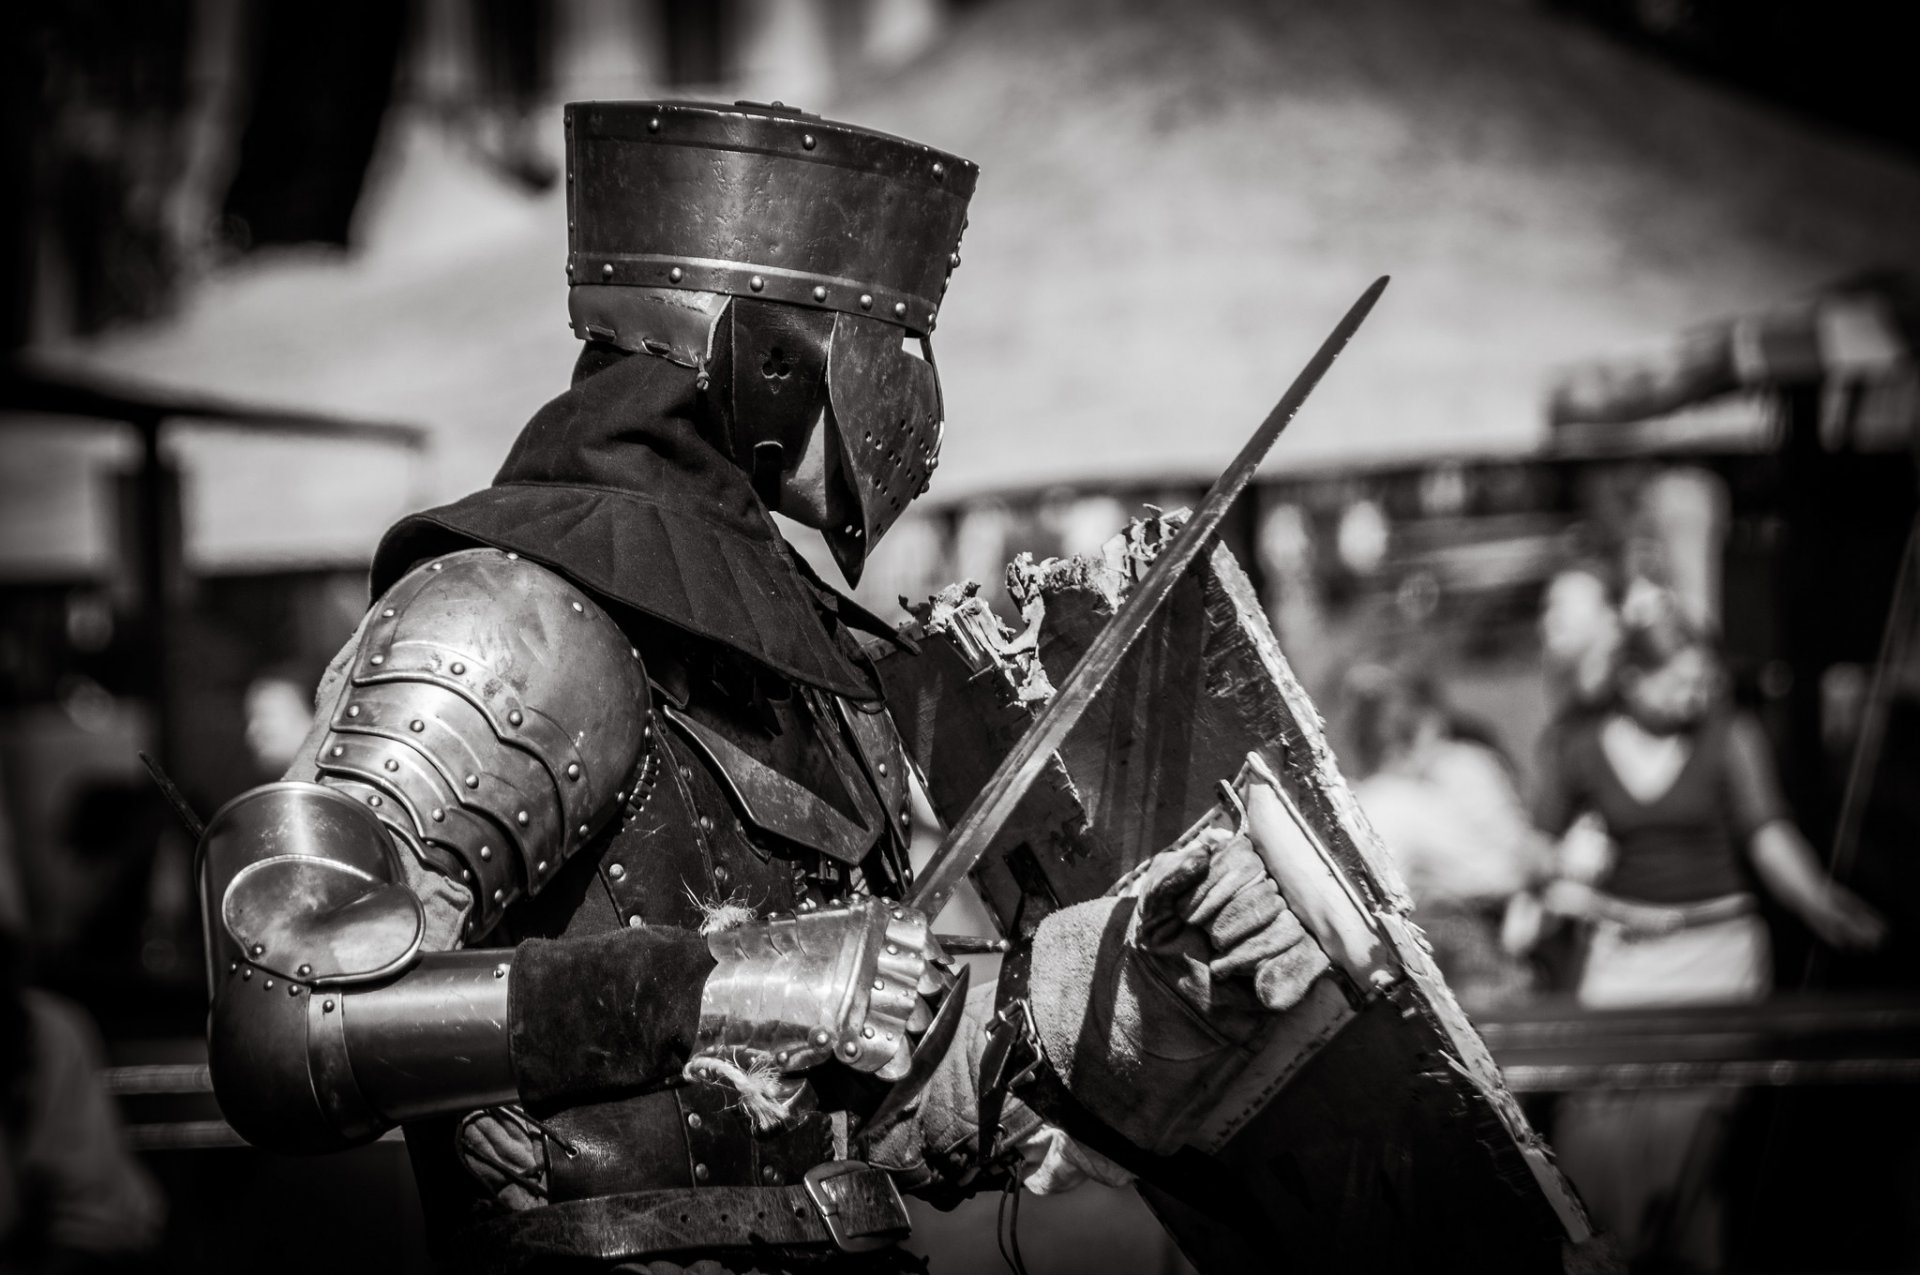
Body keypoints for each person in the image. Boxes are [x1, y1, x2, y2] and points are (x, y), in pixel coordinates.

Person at [193, 101, 1328, 1273]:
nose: (912, 390)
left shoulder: (790, 663)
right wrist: (729, 984)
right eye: (890, 339)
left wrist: (1102, 1000)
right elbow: (289, 1026)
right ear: (774, 358)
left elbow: (824, 1096)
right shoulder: (510, 622)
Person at [1537, 590, 1886, 1269]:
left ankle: (1688, 1255)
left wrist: (1819, 900)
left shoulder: (1732, 735)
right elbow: (1537, 846)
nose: (1697, 694)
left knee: (1690, 1134)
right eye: (1681, 681)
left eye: (1706, 680)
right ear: (1632, 679)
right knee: (1594, 1130)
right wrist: (1572, 880)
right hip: (1625, 958)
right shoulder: (1578, 745)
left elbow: (1768, 833)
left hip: (1718, 950)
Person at [1343, 666, 1550, 1008]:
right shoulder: (1410, 804)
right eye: (1436, 742)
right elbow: (1496, 876)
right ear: (1408, 744)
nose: (1441, 757)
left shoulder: (1358, 800)